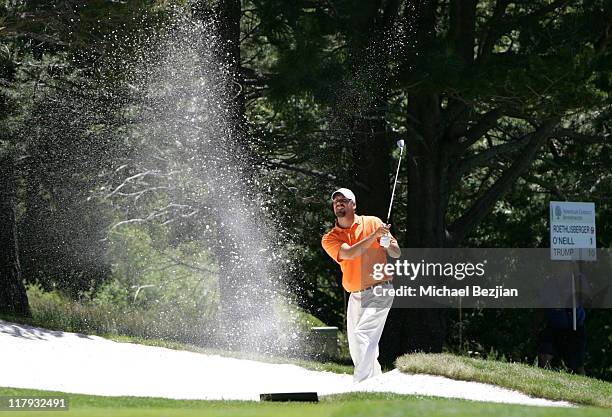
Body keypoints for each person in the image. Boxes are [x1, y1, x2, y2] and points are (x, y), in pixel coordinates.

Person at [321, 188, 401, 383]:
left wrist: (386, 243)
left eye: (344, 200)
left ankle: (361, 382)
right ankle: (375, 380)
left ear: (353, 205)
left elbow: (396, 253)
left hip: (380, 290)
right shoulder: (330, 238)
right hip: (355, 296)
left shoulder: (373, 222)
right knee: (358, 345)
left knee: (362, 334)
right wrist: (374, 236)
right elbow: (349, 254)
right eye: (336, 201)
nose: (339, 202)